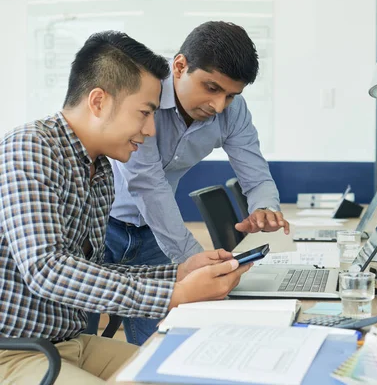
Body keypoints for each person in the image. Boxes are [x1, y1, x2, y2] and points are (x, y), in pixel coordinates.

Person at [0, 31, 251, 385]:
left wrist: (179, 273)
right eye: (145, 113)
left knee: (187, 373)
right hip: (14, 351)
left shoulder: (100, 171)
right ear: (99, 102)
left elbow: (101, 270)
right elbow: (47, 269)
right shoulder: (30, 149)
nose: (150, 130)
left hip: (70, 343)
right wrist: (173, 296)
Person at [85, 21, 290, 346]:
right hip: (97, 227)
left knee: (162, 343)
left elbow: (253, 166)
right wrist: (194, 261)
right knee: (79, 338)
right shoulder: (143, 93)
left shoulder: (231, 111)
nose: (219, 106)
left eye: (231, 95)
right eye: (211, 88)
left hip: (154, 234)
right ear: (179, 66)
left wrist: (264, 205)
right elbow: (147, 183)